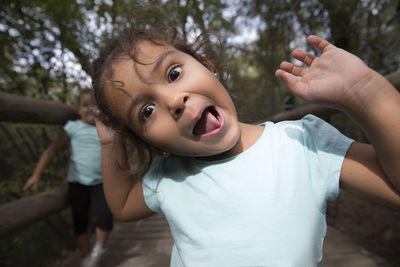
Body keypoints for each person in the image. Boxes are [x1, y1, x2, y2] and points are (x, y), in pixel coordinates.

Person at [91, 26, 400, 266]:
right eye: (147, 112)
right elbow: (121, 205)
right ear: (154, 146)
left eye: (173, 73)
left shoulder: (303, 145)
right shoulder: (169, 176)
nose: (173, 101)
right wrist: (110, 142)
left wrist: (368, 93)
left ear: (208, 67)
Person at [23, 89, 113, 267]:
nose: (90, 109)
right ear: (78, 109)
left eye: (94, 105)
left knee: (105, 218)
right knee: (80, 223)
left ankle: (97, 251)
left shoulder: (104, 127)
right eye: (85, 105)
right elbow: (52, 150)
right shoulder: (72, 127)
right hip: (77, 183)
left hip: (101, 183)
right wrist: (36, 175)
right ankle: (88, 259)